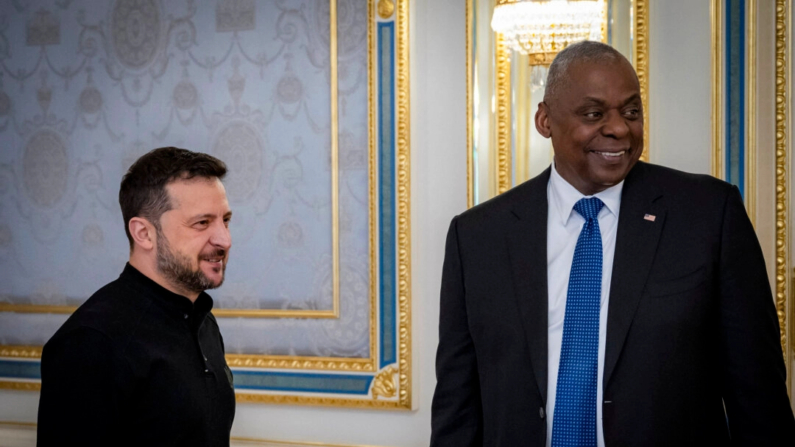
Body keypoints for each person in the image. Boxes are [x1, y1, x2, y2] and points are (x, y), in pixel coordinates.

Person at [430, 41, 795, 446]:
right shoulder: (478, 236)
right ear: (545, 120)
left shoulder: (708, 216)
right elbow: (457, 407)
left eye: (631, 112)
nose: (619, 128)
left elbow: (758, 397)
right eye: (594, 113)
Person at [37, 147, 236, 446]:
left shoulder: (203, 322)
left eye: (226, 220)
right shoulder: (90, 342)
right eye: (202, 223)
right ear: (144, 233)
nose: (224, 239)